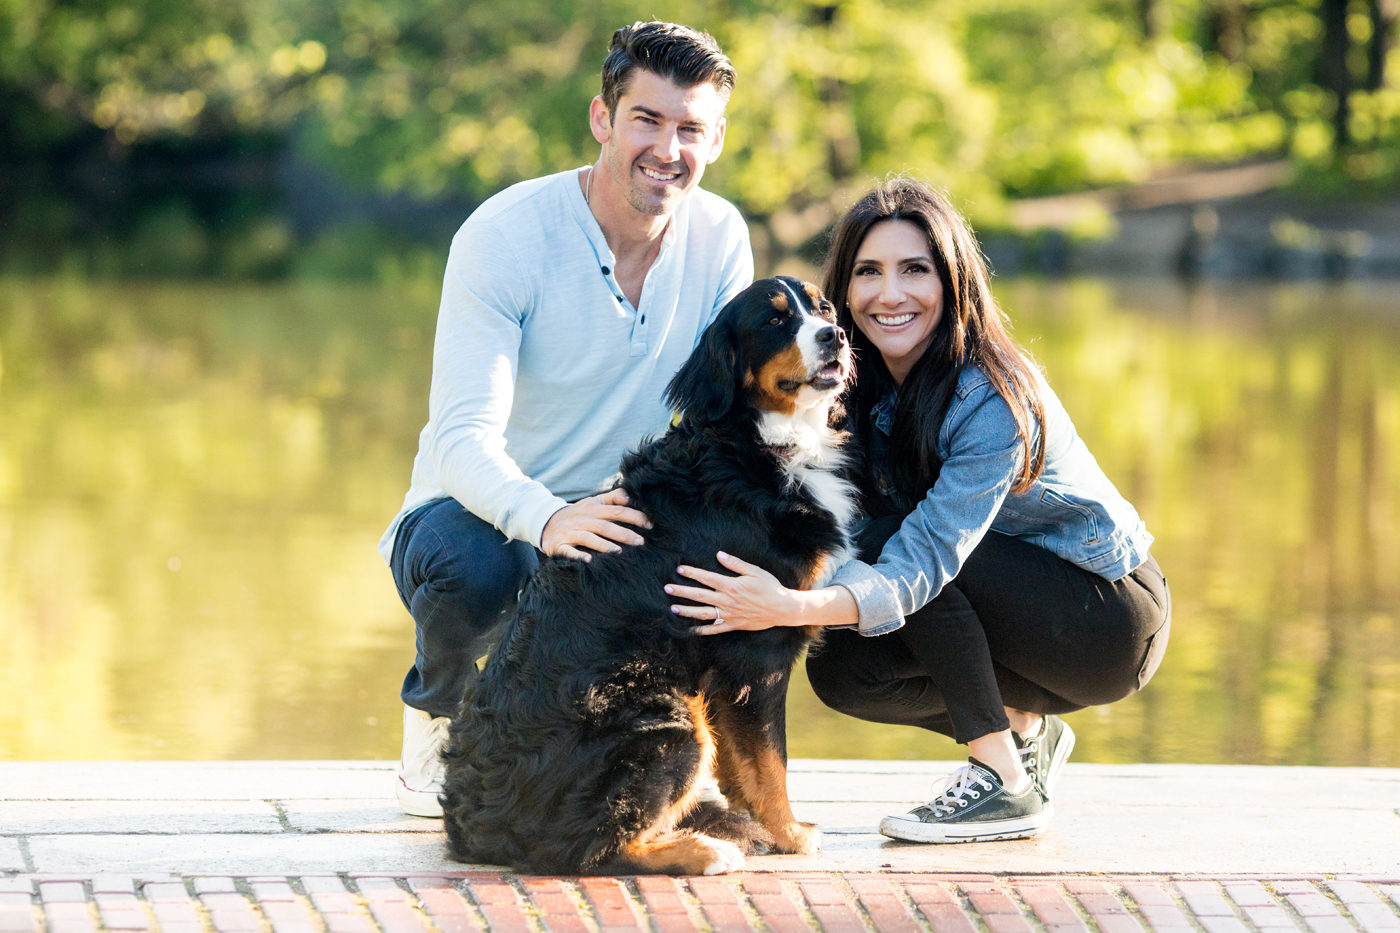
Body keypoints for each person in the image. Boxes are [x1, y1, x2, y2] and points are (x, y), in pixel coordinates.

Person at [664, 177, 1170, 844]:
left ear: (952, 281)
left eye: (914, 270)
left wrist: (786, 605)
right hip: (1003, 602)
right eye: (868, 272)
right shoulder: (851, 375)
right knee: (845, 670)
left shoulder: (990, 398)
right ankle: (1022, 727)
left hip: (1103, 617)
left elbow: (924, 558)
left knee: (889, 550)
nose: (890, 294)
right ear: (844, 290)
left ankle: (1004, 782)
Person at [379, 21, 752, 817]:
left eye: (689, 128)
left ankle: (684, 761)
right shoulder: (505, 234)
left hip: (632, 508)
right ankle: (439, 717)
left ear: (715, 138)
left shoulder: (721, 236)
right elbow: (458, 440)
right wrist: (548, 518)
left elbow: (728, 419)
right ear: (601, 119)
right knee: (476, 567)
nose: (667, 148)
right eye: (646, 120)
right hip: (486, 513)